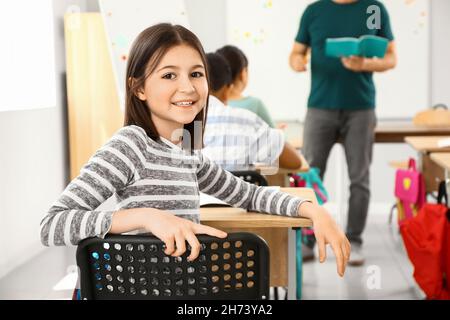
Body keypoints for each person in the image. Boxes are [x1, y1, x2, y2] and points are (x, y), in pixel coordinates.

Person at [40, 23, 350, 277]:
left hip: (187, 290)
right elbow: (52, 224)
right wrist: (146, 217)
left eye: (196, 74)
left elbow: (250, 195)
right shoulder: (131, 144)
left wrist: (312, 210)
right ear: (140, 88)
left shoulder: (187, 152)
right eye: (169, 75)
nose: (188, 87)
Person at [289, 0, 397, 265]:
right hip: (319, 107)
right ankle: (307, 240)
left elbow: (391, 57)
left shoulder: (375, 9)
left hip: (360, 108)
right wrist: (298, 62)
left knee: (359, 178)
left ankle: (355, 241)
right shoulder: (314, 11)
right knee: (310, 175)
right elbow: (295, 54)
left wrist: (365, 65)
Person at [203, 52, 301, 170]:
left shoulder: (183, 125)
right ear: (227, 89)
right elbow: (295, 161)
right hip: (241, 187)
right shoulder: (246, 119)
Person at [217, 45, 282, 129]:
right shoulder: (255, 105)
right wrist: (279, 132)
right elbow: (275, 138)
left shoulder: (207, 106)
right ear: (243, 74)